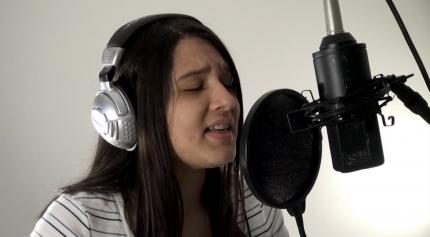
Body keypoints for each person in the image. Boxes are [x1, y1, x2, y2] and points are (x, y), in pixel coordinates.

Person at [29, 14, 288, 237]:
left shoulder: (253, 202)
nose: (228, 100)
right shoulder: (80, 222)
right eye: (194, 86)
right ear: (130, 111)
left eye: (228, 82)